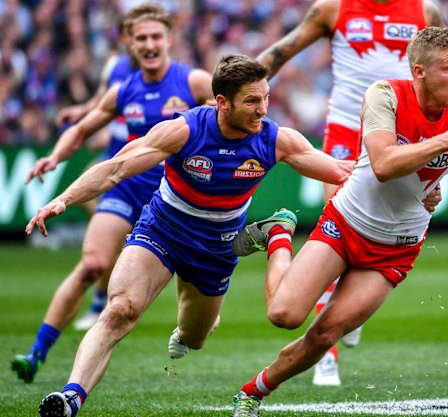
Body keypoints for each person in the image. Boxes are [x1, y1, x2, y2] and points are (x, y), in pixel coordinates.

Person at [26, 53, 353, 417]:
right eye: (252, 101)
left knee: (196, 337)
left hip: (216, 249)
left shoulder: (276, 140)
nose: (263, 109)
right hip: (163, 230)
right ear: (222, 103)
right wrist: (63, 200)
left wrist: (417, 176)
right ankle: (72, 397)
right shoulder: (185, 130)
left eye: (266, 98)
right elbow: (116, 168)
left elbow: (341, 170)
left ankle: (190, 327)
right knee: (120, 310)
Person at [231, 26, 448, 416]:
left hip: (395, 249)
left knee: (326, 334)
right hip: (347, 222)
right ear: (419, 72)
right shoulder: (385, 95)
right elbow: (384, 166)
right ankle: (279, 233)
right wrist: (445, 142)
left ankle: (253, 392)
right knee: (283, 315)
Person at [255, 0, 448, 385]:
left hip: (408, 131)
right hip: (348, 130)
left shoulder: (425, 11)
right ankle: (329, 354)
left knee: (380, 217)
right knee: (341, 224)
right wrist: (240, 90)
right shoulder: (333, 8)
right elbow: (281, 52)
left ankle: (335, 327)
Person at [11, 2, 213, 384]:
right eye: (141, 38)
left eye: (156, 36)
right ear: (129, 43)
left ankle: (192, 326)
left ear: (169, 39)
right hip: (128, 187)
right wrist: (55, 156)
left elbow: (228, 116)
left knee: (196, 292)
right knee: (91, 264)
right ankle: (36, 354)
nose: (150, 44)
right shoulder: (124, 90)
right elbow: (83, 129)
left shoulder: (195, 82)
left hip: (177, 199)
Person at [57, 20, 138, 333]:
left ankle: (104, 295)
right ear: (124, 39)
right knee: (91, 197)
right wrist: (83, 111)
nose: (142, 44)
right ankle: (101, 296)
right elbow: (102, 100)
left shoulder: (172, 75)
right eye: (134, 36)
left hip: (145, 164)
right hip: (114, 159)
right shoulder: (114, 67)